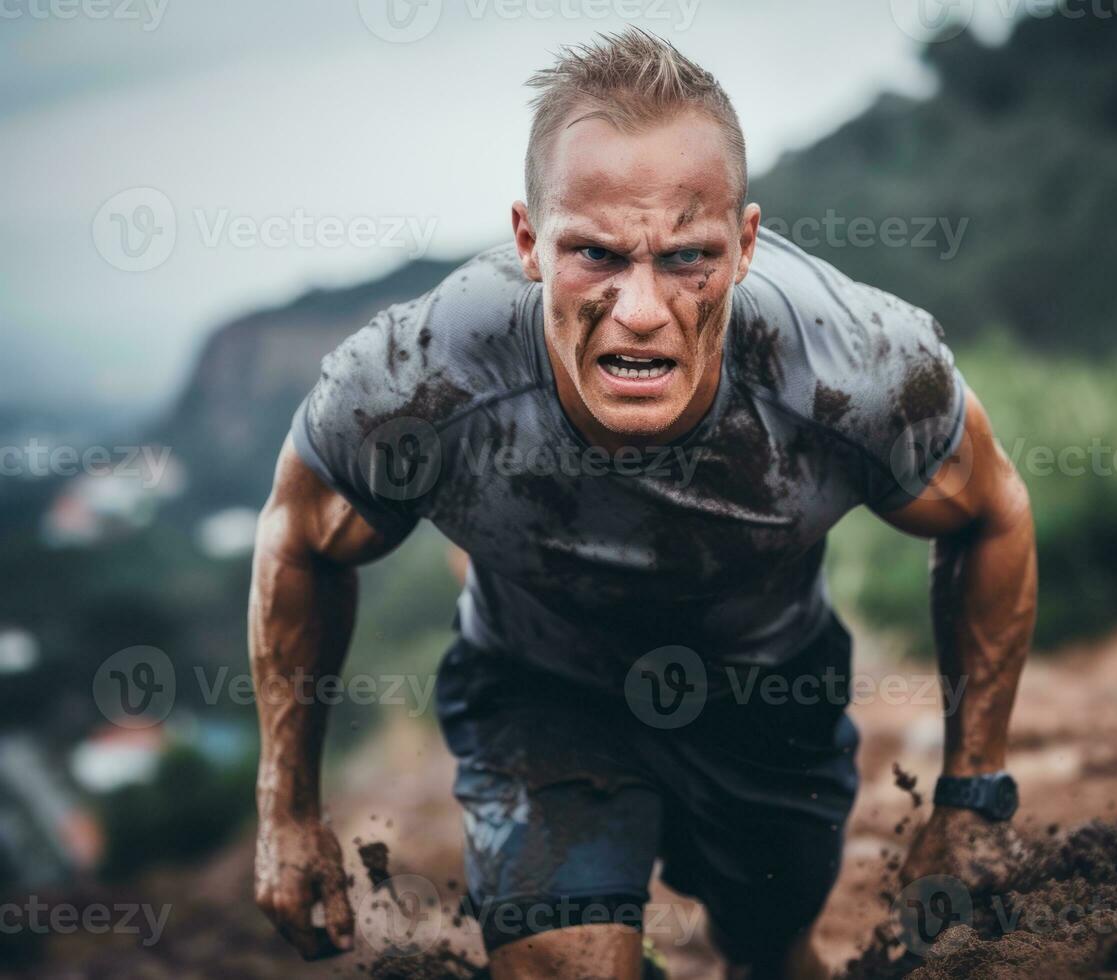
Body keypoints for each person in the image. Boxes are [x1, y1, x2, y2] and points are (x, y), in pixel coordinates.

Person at [249, 28, 1036, 980]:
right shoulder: (420, 382)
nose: (640, 309)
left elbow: (991, 512)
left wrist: (971, 796)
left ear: (744, 246)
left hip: (766, 691)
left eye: (686, 259)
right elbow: (299, 539)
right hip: (541, 690)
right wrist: (286, 813)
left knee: (772, 956)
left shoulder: (853, 371)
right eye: (595, 254)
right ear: (529, 243)